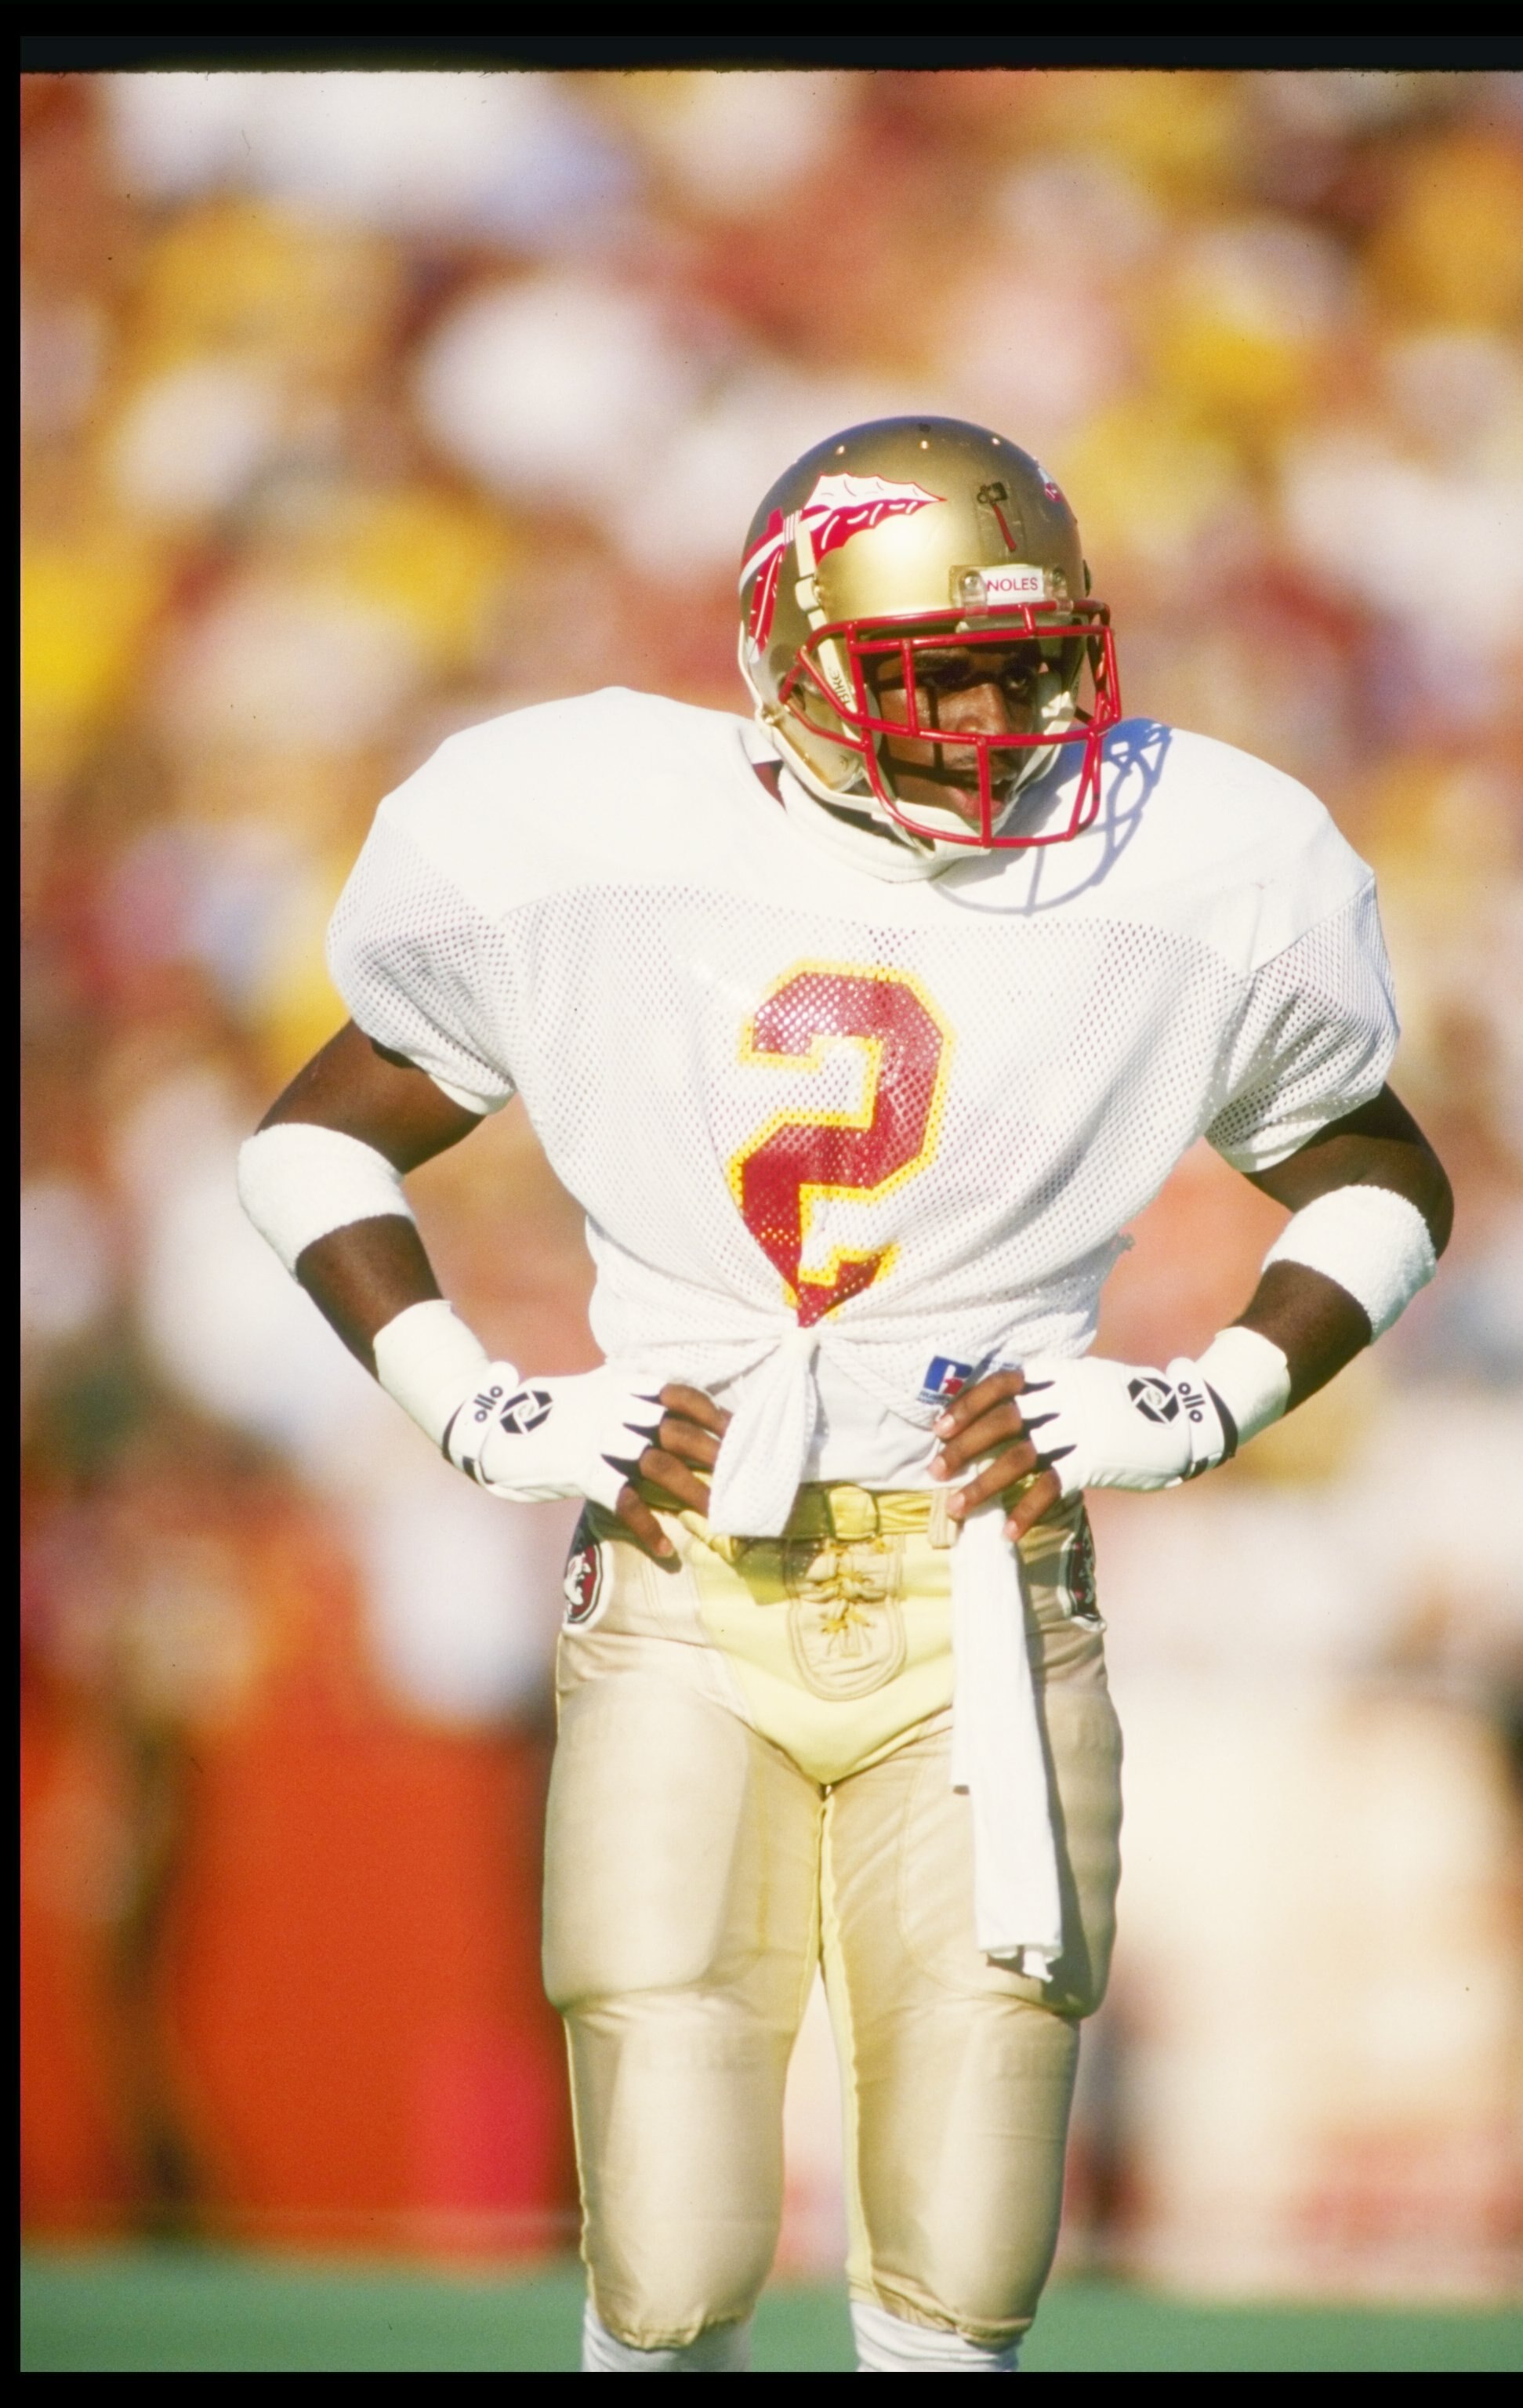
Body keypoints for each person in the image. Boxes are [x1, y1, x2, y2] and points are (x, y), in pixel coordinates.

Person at [238, 417, 1451, 2372]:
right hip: (678, 1571)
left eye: (1030, 658)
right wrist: (469, 1397)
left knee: (966, 2231)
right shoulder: (594, 828)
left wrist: (1212, 1394)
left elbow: (1382, 1171)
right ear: (785, 658)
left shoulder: (1196, 855)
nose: (1000, 713)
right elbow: (309, 1146)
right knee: (670, 2216)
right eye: (937, 672)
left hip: (982, 1589)